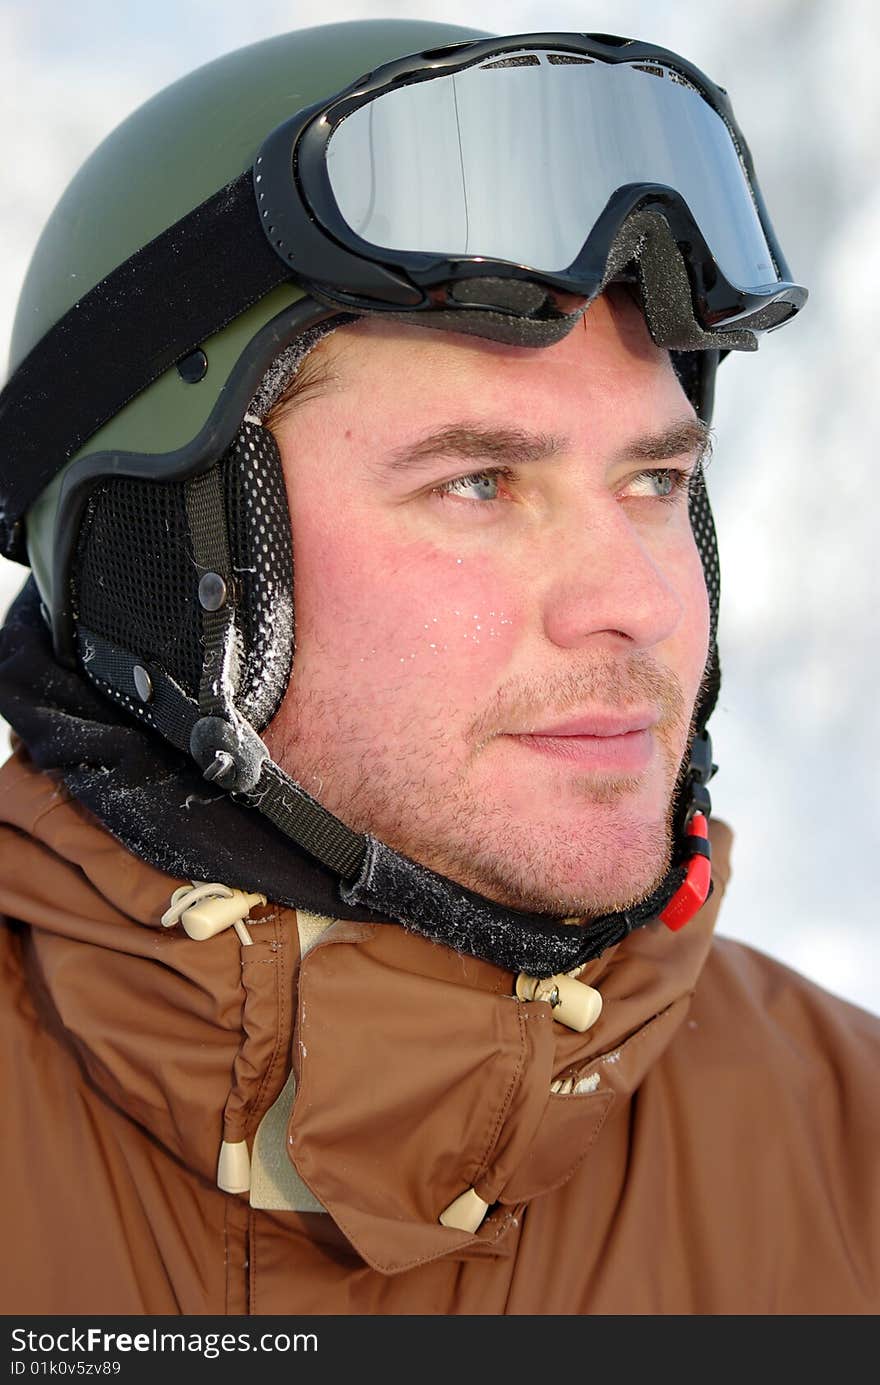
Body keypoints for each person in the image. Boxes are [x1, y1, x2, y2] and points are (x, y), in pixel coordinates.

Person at [0, 18, 877, 1317]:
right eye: (480, 480)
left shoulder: (846, 1152)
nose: (635, 605)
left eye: (655, 481)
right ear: (168, 569)